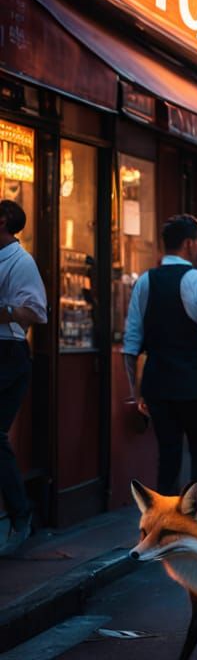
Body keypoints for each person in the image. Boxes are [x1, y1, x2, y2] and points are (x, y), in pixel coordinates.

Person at [123, 214, 197, 500]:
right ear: (189, 244)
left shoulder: (145, 281)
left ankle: (164, 524)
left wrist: (136, 390)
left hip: (158, 381)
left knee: (168, 455)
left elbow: (131, 342)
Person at [0, 200, 47, 555]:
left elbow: (33, 312)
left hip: (8, 354)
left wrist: (3, 311)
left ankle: (20, 514)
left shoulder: (21, 261)